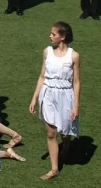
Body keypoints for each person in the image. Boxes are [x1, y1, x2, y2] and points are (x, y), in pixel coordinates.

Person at [29, 22, 80, 182]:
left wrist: (76, 106)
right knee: (51, 133)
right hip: (48, 95)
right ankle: (54, 169)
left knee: (65, 130)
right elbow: (42, 76)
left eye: (53, 34)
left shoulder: (73, 56)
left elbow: (76, 82)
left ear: (62, 37)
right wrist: (35, 97)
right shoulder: (47, 52)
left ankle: (66, 145)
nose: (50, 36)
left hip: (65, 96)